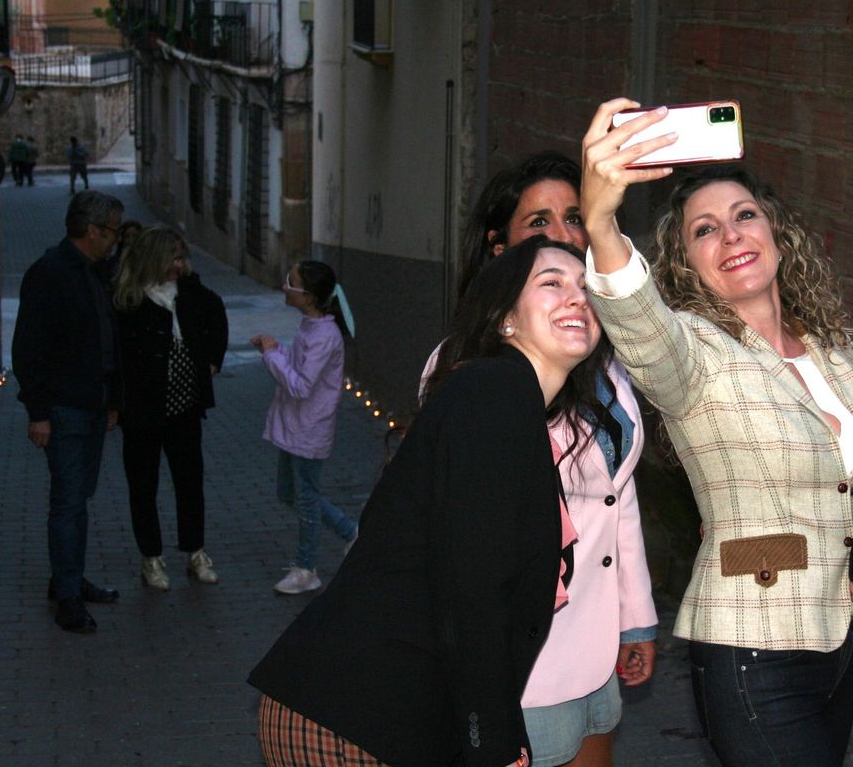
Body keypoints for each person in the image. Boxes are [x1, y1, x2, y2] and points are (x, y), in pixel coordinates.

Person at [577, 99, 853, 767]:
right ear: (685, 264)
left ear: (776, 234)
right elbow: (642, 329)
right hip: (750, 649)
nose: (731, 236)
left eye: (744, 216)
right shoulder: (696, 354)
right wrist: (599, 220)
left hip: (838, 646)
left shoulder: (831, 348)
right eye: (704, 230)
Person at [249, 236, 605, 767]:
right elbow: (474, 586)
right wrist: (494, 745)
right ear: (504, 317)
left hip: (367, 712)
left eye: (588, 287)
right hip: (356, 719)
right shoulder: (497, 393)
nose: (578, 298)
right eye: (551, 283)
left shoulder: (503, 399)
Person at [422, 152, 658, 767]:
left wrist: (635, 619)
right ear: (499, 250)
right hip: (526, 666)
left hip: (596, 649)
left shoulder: (602, 361)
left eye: (575, 218)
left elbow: (618, 497)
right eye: (538, 223)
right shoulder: (466, 375)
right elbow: (467, 554)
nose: (562, 235)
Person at [12, 190, 125, 633]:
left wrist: (113, 401)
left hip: (94, 404)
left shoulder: (97, 272)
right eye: (112, 231)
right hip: (64, 407)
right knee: (69, 501)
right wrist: (37, 411)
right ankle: (68, 596)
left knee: (79, 499)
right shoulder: (50, 273)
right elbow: (29, 348)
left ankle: (68, 578)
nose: (116, 240)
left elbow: (106, 337)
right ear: (92, 230)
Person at [113, 226, 228, 591]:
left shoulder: (193, 293)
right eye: (173, 258)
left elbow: (217, 319)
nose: (179, 265)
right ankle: (151, 558)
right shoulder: (127, 301)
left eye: (181, 258)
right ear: (154, 259)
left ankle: (195, 552)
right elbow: (113, 355)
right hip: (142, 413)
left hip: (185, 408)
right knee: (143, 486)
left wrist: (212, 359)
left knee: (190, 483)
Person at [250, 261, 357, 594]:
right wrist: (277, 349)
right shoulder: (312, 327)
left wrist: (271, 355)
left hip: (308, 429)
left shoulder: (324, 335)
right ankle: (350, 531)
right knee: (290, 493)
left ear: (308, 296)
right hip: (294, 426)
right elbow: (299, 369)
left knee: (306, 498)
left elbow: (300, 385)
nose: (284, 286)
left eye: (290, 282)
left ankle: (306, 568)